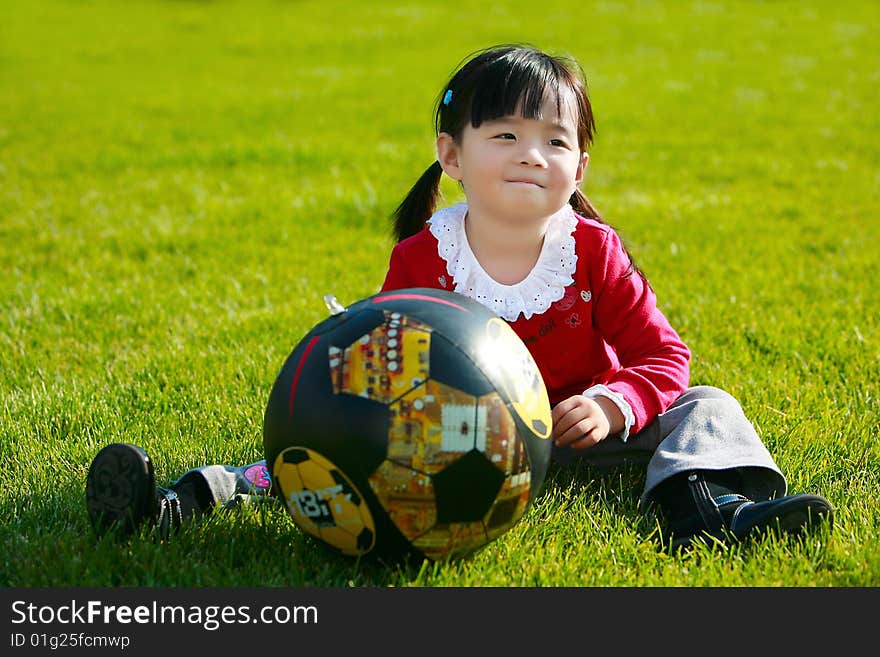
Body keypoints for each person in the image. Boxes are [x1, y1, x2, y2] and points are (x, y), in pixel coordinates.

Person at [86, 43, 832, 550]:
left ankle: (708, 512)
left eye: (554, 140)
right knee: (334, 460)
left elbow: (660, 354)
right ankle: (184, 500)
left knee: (707, 403)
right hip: (460, 451)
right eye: (504, 135)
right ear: (452, 155)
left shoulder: (593, 251)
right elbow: (375, 365)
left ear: (581, 164)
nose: (531, 154)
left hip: (581, 442)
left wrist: (614, 405)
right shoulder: (423, 257)